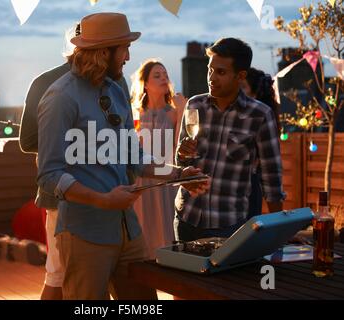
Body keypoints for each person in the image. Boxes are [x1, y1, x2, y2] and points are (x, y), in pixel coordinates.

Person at [37, 12, 208, 300]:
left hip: (129, 231)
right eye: (124, 48)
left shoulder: (116, 91)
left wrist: (179, 175)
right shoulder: (60, 97)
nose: (128, 57)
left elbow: (134, 157)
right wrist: (102, 200)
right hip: (84, 235)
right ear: (104, 52)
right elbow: (49, 175)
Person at [19, 23, 131, 300]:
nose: (127, 57)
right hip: (67, 199)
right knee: (62, 278)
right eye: (123, 48)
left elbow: (123, 137)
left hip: (111, 197)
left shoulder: (116, 81)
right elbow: (27, 143)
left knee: (70, 277)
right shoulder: (51, 86)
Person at [175, 38, 285, 242]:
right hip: (186, 218)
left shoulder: (259, 115)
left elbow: (271, 177)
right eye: (210, 70)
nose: (212, 78)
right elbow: (181, 163)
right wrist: (183, 153)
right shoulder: (194, 105)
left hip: (229, 226)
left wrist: (278, 231)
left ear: (240, 76)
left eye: (221, 72)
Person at [130, 59, 187, 259]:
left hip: (165, 181)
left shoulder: (173, 113)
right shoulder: (135, 114)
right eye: (157, 75)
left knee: (168, 238)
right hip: (141, 182)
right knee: (141, 241)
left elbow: (182, 148)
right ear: (145, 83)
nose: (163, 78)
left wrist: (182, 111)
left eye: (165, 75)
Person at [240, 67, 281, 219]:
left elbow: (271, 174)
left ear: (256, 94)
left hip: (247, 197)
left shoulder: (261, 120)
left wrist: (278, 224)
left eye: (243, 87)